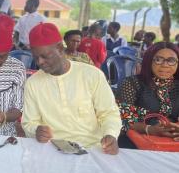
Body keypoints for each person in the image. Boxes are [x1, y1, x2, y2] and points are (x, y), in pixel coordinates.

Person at [22, 22, 120, 153]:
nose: (39, 62)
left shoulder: (92, 75)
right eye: (36, 57)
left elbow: (109, 113)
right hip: (52, 149)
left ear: (60, 48)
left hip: (93, 149)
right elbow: (29, 122)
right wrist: (36, 131)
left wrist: (110, 134)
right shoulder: (33, 83)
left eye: (45, 56)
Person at [116, 42, 179, 148]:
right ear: (149, 61)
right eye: (158, 60)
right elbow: (123, 120)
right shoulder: (132, 83)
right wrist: (149, 129)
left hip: (171, 142)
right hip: (136, 141)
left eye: (171, 60)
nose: (165, 65)